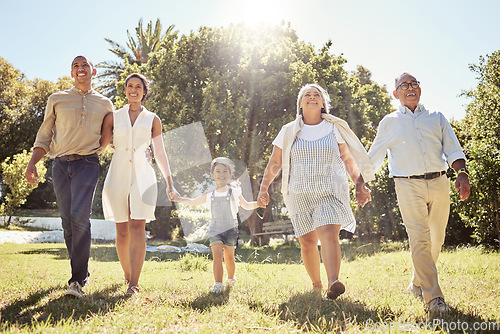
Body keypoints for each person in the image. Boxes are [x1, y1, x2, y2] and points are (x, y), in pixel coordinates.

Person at [257, 84, 373, 300]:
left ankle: (333, 282)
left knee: (328, 233)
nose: (312, 97)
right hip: (298, 193)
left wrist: (359, 183)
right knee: (308, 242)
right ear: (300, 104)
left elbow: (348, 159)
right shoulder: (288, 130)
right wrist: (264, 188)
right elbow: (275, 162)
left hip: (330, 190)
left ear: (322, 103)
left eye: (316, 95)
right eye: (307, 95)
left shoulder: (334, 128)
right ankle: (316, 284)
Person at [367, 72, 470, 313]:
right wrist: (361, 182)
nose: (410, 88)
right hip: (407, 184)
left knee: (437, 238)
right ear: (396, 93)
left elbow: (452, 148)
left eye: (414, 84)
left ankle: (416, 283)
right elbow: (373, 156)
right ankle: (433, 298)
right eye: (404, 85)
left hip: (439, 181)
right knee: (419, 239)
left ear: (420, 90)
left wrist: (462, 173)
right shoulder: (389, 122)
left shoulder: (436, 117)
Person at [25, 55, 114, 298]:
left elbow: (114, 135)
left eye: (84, 64)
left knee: (80, 218)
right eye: (75, 66)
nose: (80, 68)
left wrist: (140, 150)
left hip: (88, 163)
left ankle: (77, 280)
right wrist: (33, 161)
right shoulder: (57, 99)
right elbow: (44, 135)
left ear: (93, 71)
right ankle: (79, 271)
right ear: (71, 73)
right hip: (60, 164)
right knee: (67, 221)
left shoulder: (105, 103)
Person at [100, 73, 177, 295]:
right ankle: (126, 275)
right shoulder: (113, 117)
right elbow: (100, 147)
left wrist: (170, 182)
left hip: (143, 176)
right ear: (125, 89)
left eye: (138, 87)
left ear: (144, 92)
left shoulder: (153, 119)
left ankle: (134, 283)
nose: (133, 90)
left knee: (138, 228)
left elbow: (160, 153)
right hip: (117, 174)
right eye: (130, 86)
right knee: (122, 231)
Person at [172, 157, 260, 293]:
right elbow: (194, 202)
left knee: (229, 257)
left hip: (231, 229)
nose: (221, 174)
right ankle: (218, 283)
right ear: (212, 175)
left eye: (225, 171)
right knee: (217, 255)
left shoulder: (234, 192)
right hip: (215, 228)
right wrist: (179, 199)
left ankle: (231, 278)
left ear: (230, 175)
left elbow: (247, 205)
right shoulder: (210, 195)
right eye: (218, 171)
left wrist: (258, 203)